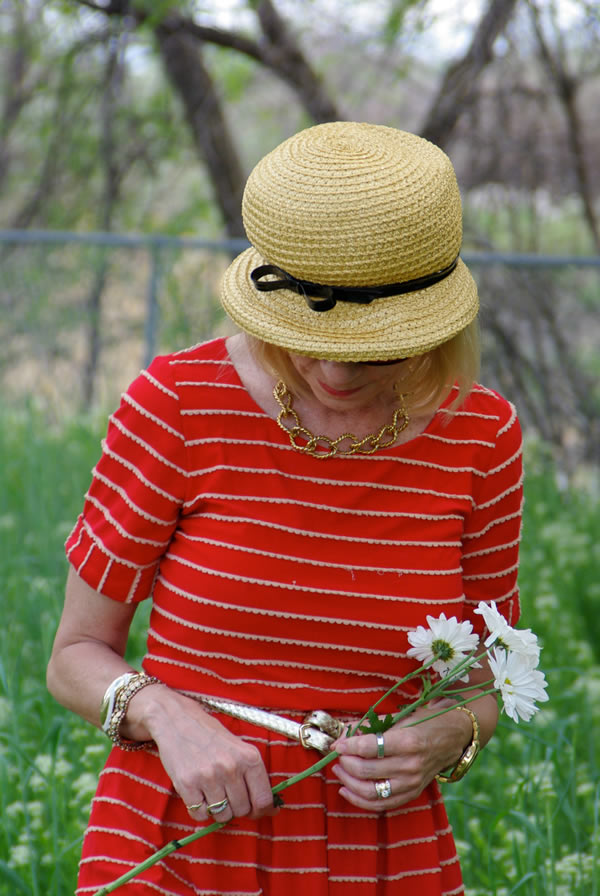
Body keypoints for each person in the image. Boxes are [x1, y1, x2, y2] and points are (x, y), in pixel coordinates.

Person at [47, 121, 523, 896]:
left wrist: (451, 732)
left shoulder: (483, 435)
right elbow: (73, 658)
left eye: (378, 348)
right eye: (308, 330)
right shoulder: (178, 403)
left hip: (383, 851)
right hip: (178, 834)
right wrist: (163, 714)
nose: (335, 372)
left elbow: (486, 671)